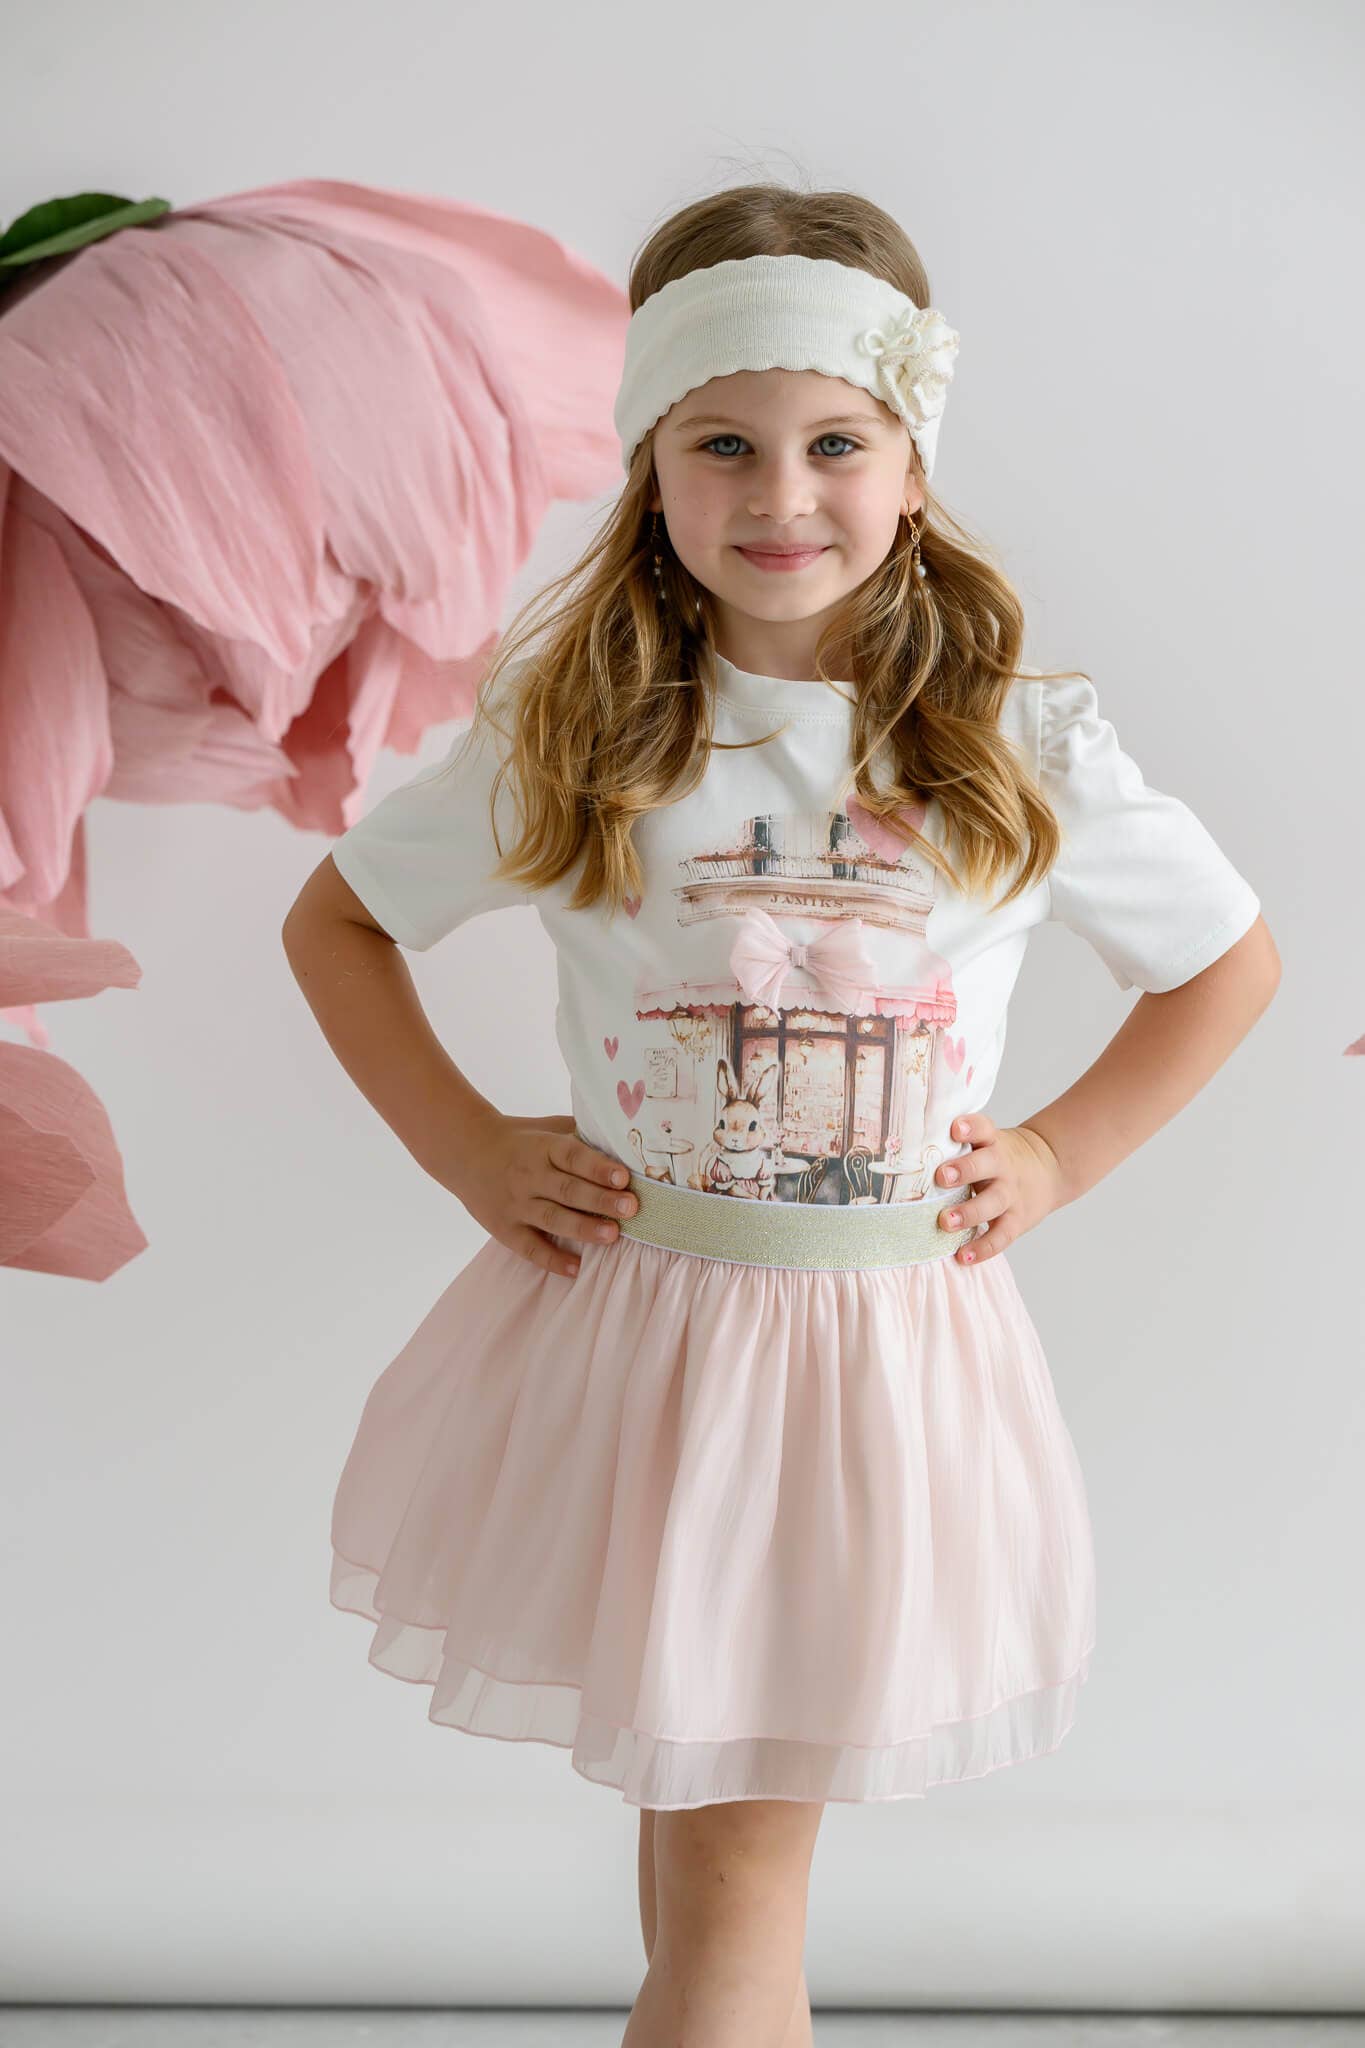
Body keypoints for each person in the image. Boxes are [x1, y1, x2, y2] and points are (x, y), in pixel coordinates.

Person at [281, 182, 1280, 2048]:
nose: (779, 495)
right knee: (710, 1842)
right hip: (642, 1335)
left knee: (737, 1855)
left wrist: (1057, 1153)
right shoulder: (585, 724)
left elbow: (1221, 962)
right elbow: (339, 923)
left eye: (834, 442)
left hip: (866, 1354)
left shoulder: (1011, 738)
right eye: (721, 444)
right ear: (649, 466)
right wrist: (472, 1147)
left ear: (911, 461)